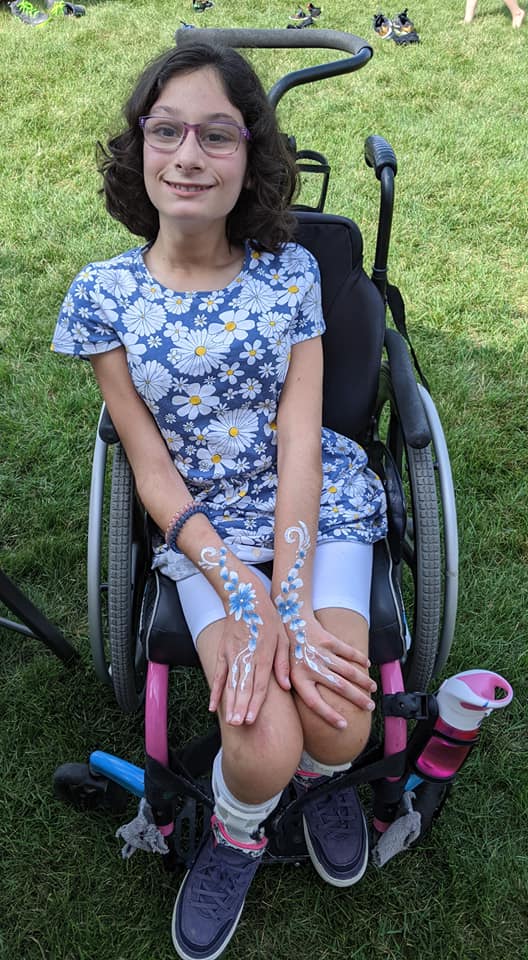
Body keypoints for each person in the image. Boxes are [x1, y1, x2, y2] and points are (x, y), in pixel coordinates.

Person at [52, 41, 387, 960]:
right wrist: (243, 592)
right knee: (260, 741)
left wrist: (290, 601)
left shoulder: (291, 275)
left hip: (315, 506)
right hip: (200, 525)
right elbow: (151, 469)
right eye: (167, 131)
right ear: (139, 147)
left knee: (339, 722)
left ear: (251, 156)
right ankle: (239, 834)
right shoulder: (105, 295)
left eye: (217, 135)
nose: (189, 156)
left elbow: (301, 442)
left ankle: (319, 781)